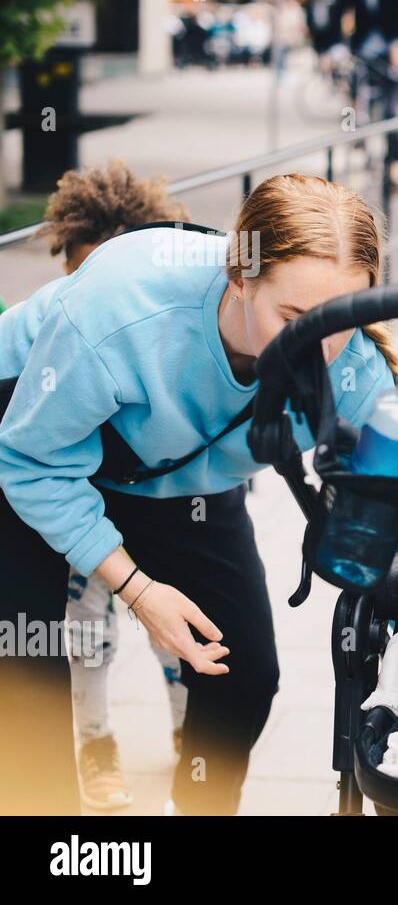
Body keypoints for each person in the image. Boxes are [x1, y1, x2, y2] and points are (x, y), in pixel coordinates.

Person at [0, 174, 398, 815]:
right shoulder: (121, 310)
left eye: (341, 320)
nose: (318, 349)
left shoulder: (348, 362)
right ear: (240, 279)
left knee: (245, 676)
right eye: (294, 319)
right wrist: (139, 590)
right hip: (36, 446)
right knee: (25, 673)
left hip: (175, 476)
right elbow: (27, 462)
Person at [34, 159, 193, 811]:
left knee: (176, 629)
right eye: (79, 276)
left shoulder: (172, 336)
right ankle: (97, 745)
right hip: (90, 507)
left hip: (168, 502)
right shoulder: (51, 326)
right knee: (85, 624)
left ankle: (190, 735)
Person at [327, 0, 398, 188]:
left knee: (391, 109)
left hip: (388, 51)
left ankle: (395, 161)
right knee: (354, 96)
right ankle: (357, 145)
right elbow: (335, 19)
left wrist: (397, 45)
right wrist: (333, 49)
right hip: (362, 52)